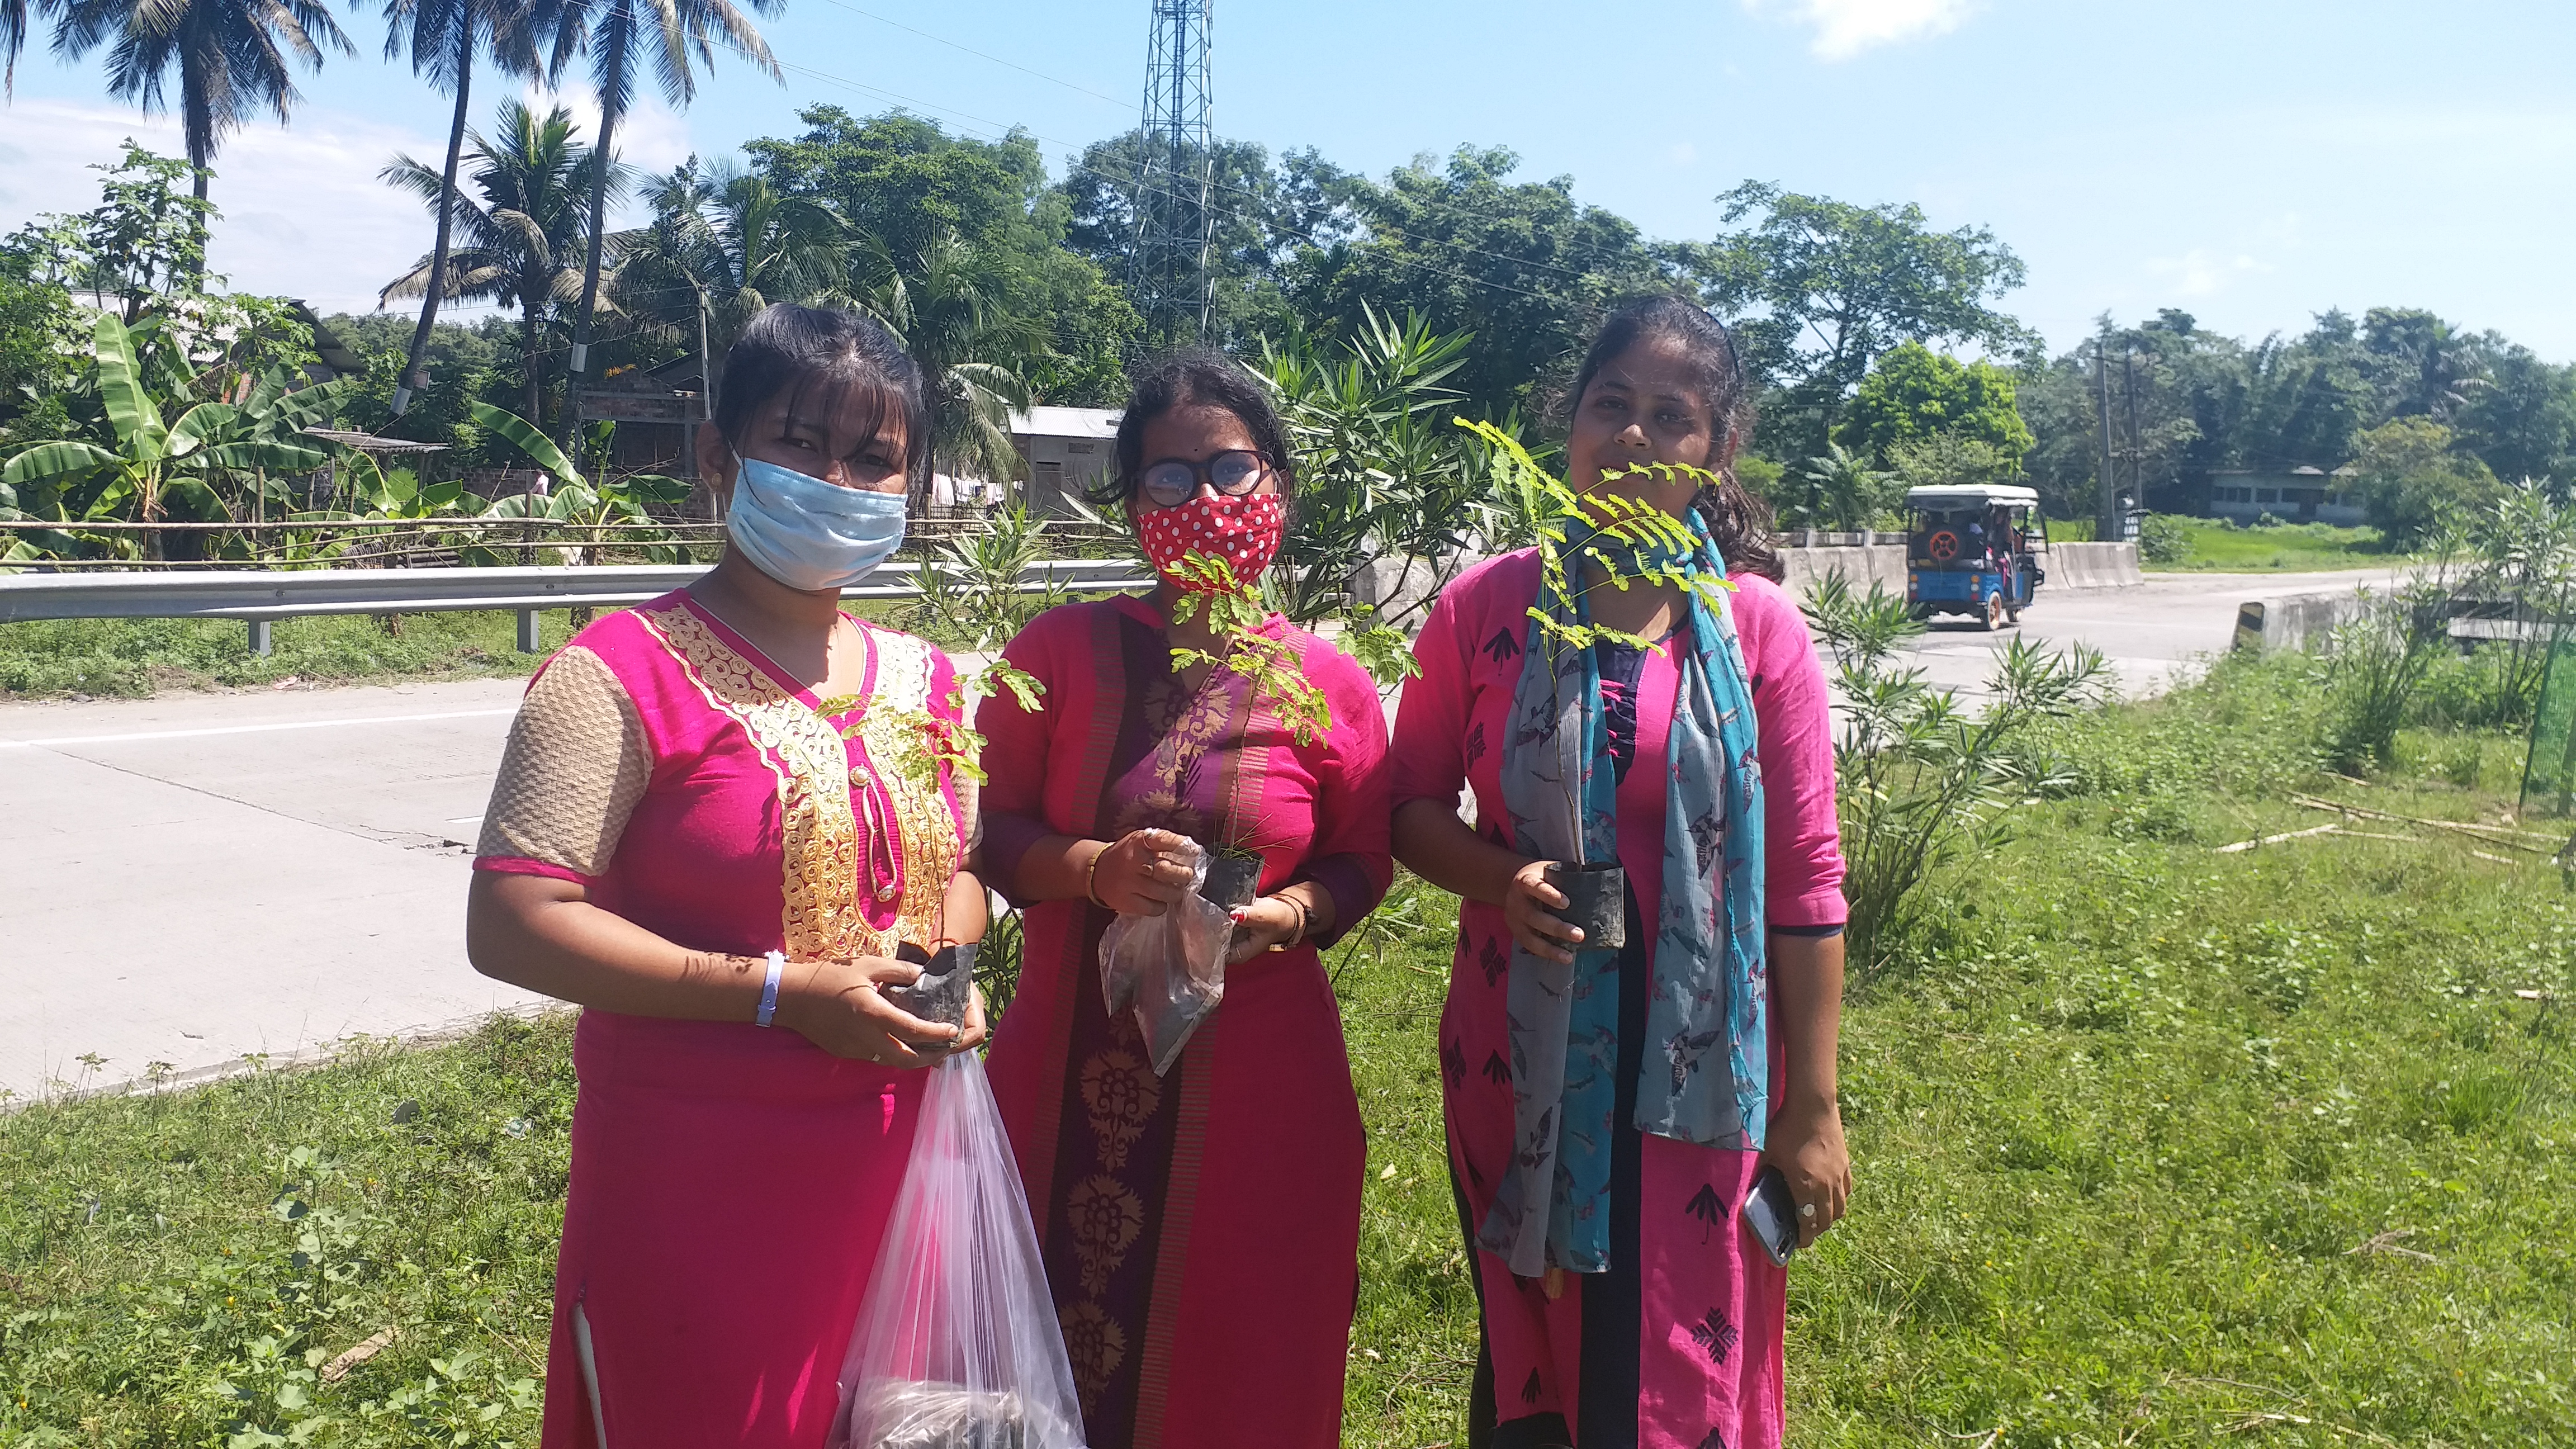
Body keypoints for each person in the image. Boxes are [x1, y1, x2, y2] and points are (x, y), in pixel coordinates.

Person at [463, 303, 989, 1448]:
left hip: (902, 1167)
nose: (835, 478)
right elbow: (515, 920)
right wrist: (778, 990)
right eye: (800, 443)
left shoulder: (932, 680)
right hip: (699, 1184)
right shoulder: (619, 673)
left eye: (873, 458)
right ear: (718, 457)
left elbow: (958, 871)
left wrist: (956, 965)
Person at [1389, 296, 1852, 1449]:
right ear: (1570, 424)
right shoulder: (1485, 606)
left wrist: (1815, 1108)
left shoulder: (1755, 633)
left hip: (1699, 1078)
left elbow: (1806, 883)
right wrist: (1502, 880)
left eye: (1671, 416)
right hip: (1518, 1051)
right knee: (1536, 1353)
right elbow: (1404, 808)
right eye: (1612, 405)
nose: (1635, 437)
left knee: (1675, 1357)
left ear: (1718, 451)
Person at [978, 351, 1393, 1448]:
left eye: (1230, 470)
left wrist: (1295, 916)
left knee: (1245, 1373)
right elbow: (985, 830)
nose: (1204, 502)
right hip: (1056, 1090)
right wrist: (1090, 871)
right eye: (1168, 480)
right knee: (1034, 1381)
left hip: (1259, 1110)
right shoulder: (1059, 655)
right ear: (1132, 508)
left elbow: (1364, 859)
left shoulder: (1329, 685)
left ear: (1281, 492)